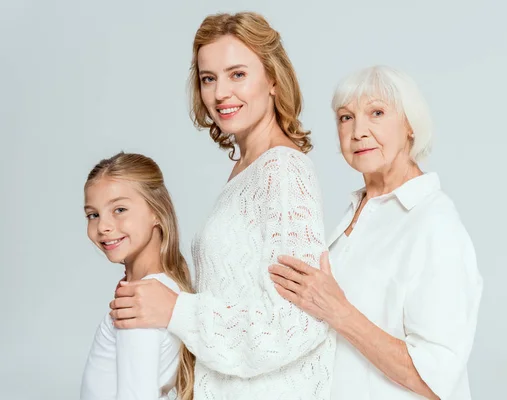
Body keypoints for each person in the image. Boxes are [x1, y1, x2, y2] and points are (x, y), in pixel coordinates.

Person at [108, 12, 336, 399]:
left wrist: (177, 310)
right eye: (208, 78)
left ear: (274, 80)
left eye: (237, 74)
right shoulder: (248, 172)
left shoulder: (282, 170)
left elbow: (297, 322)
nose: (219, 94)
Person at [269, 65, 483, 400]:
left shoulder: (434, 224)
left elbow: (435, 378)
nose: (358, 131)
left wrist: (338, 311)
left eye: (377, 113)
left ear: (410, 125)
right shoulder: (358, 211)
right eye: (345, 117)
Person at [80, 152, 195, 400]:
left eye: (119, 209)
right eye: (93, 214)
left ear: (157, 211)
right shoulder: (163, 289)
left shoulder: (142, 301)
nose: (102, 227)